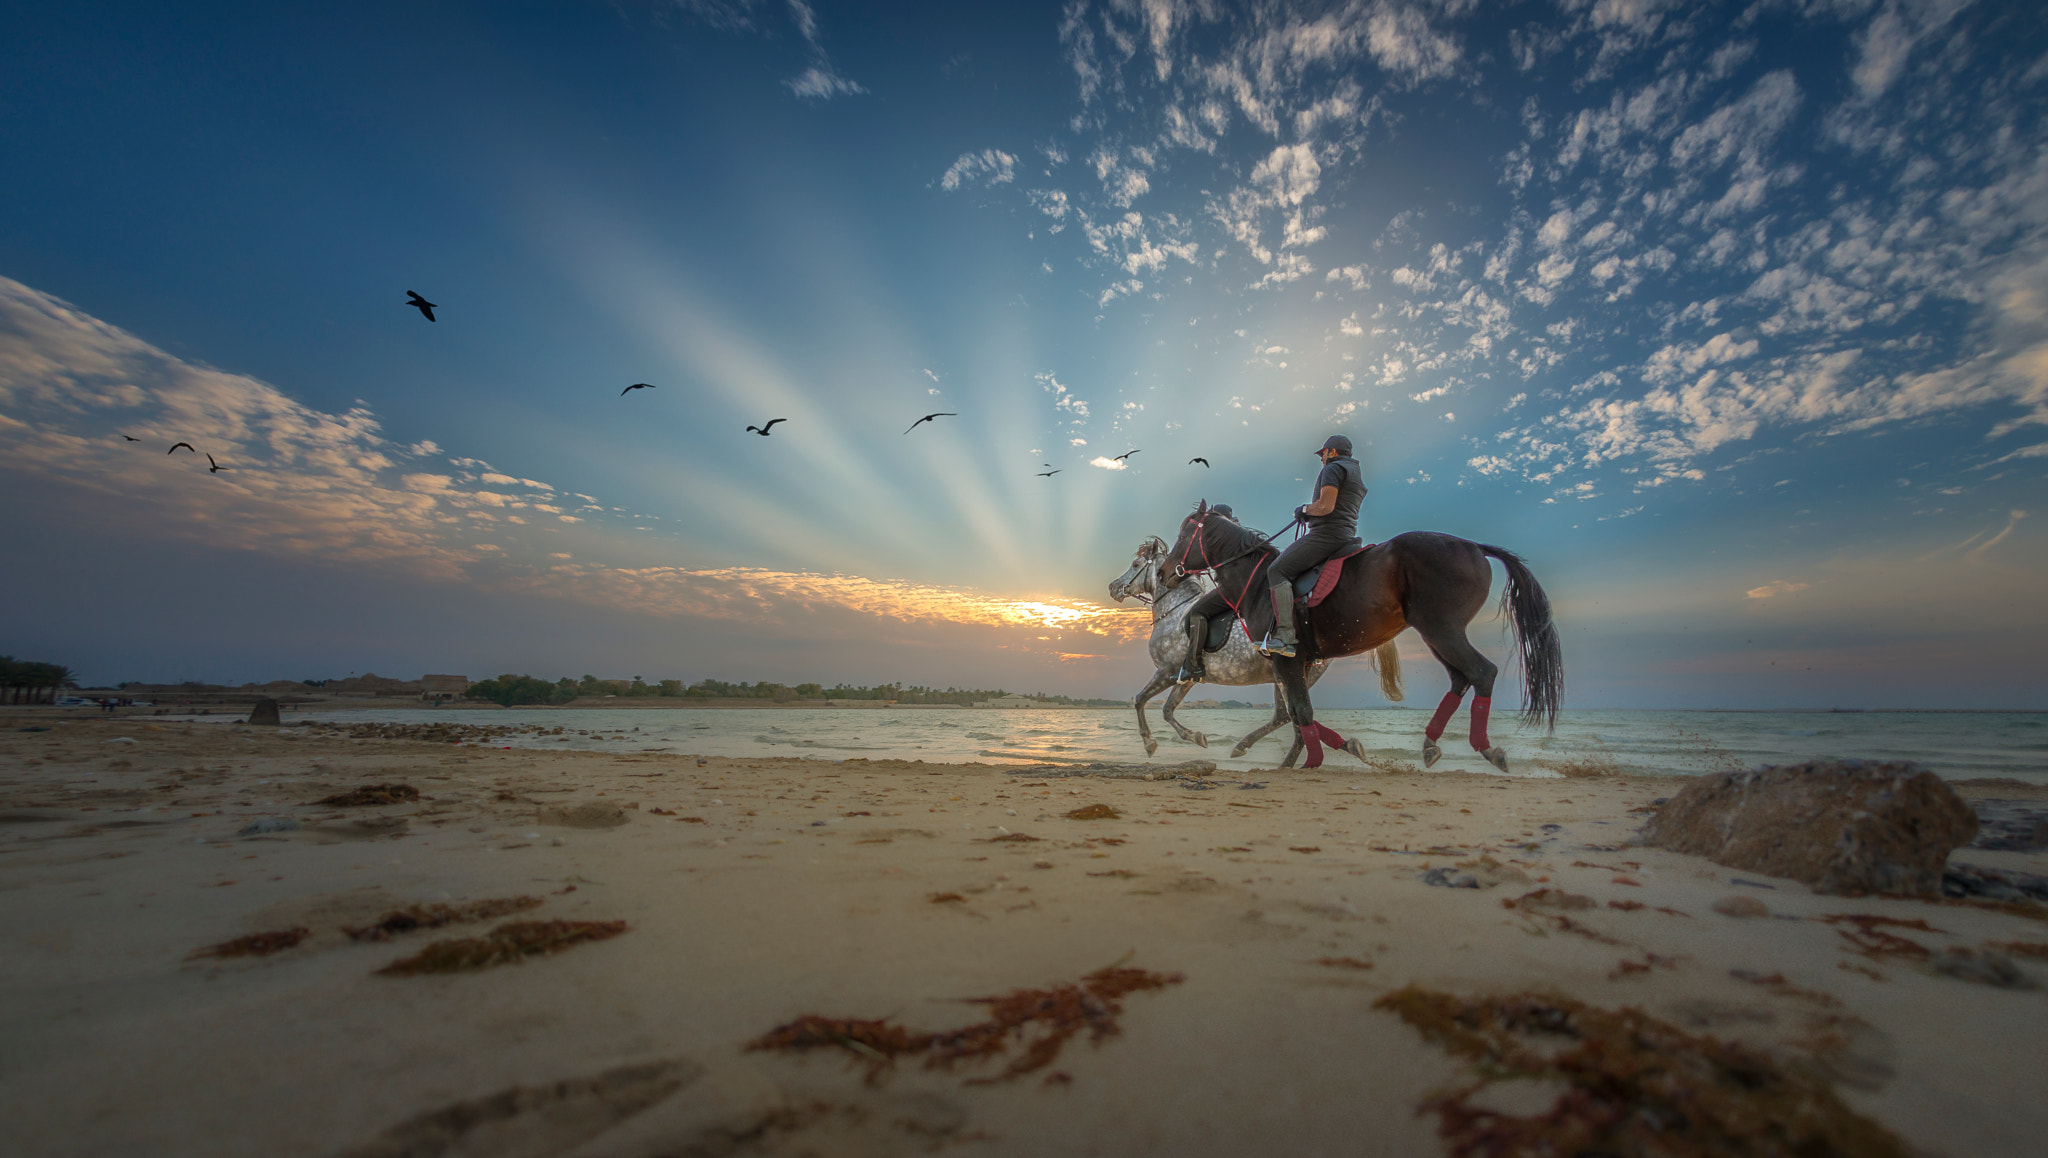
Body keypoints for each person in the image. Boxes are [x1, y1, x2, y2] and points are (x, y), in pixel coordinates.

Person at [1262, 434, 1366, 657]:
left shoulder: (1333, 468)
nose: (1321, 458)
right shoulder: (1355, 473)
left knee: (1277, 570)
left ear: (1333, 452)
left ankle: (1285, 637)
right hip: (1347, 534)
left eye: (1323, 453)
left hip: (1328, 535)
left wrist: (1304, 510)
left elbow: (1326, 506)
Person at [1176, 506, 1239, 682]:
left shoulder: (1222, 534)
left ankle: (1193, 665)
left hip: (1234, 588)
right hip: (1246, 586)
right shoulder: (1240, 533)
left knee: (1197, 612)